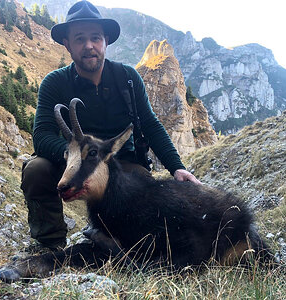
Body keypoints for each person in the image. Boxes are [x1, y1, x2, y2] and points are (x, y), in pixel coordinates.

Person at [21, 0, 201, 251]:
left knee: (140, 183)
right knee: (36, 170)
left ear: (106, 41)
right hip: (73, 162)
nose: (89, 46)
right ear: (67, 44)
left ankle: (121, 241)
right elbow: (41, 136)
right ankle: (49, 244)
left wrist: (177, 168)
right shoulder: (54, 83)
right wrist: (80, 155)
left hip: (121, 167)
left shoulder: (127, 78)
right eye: (80, 38)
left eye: (95, 37)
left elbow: (150, 124)